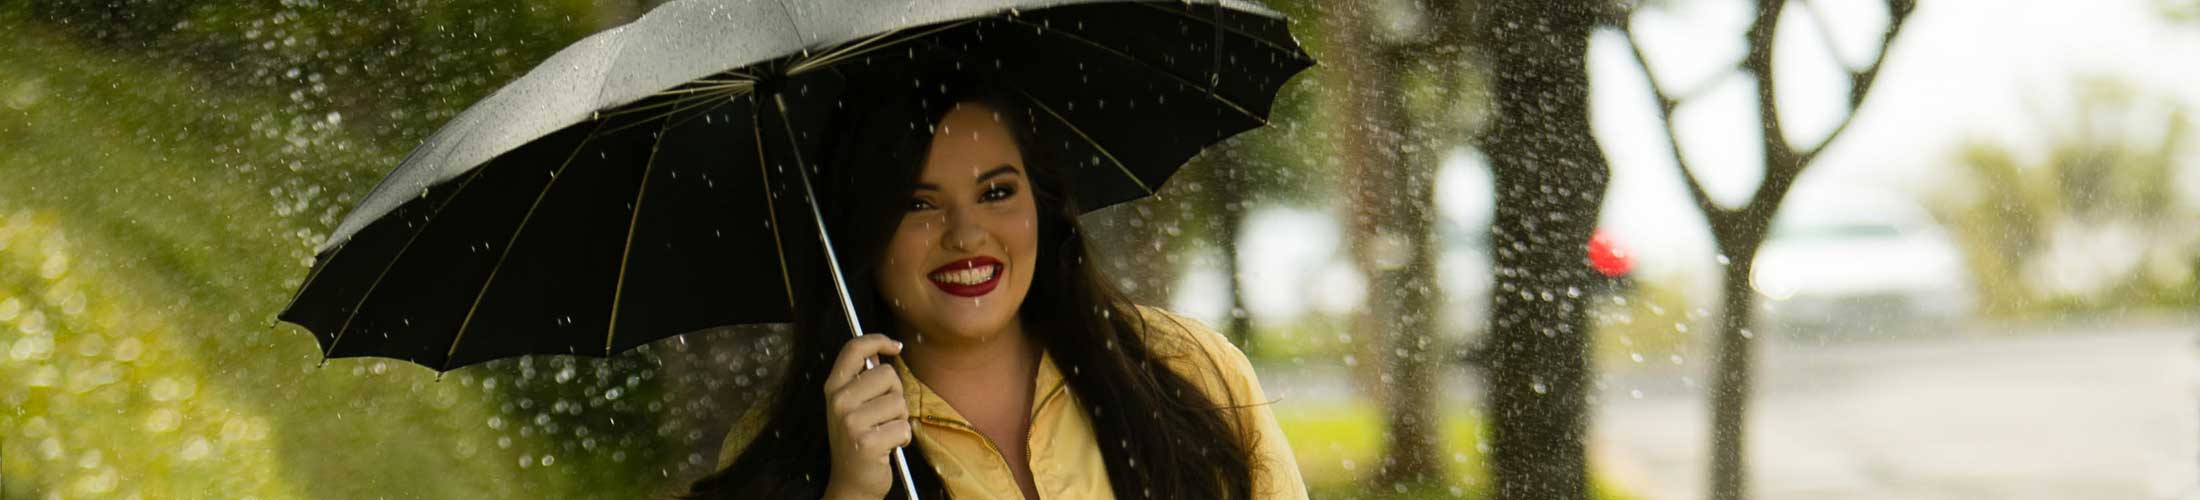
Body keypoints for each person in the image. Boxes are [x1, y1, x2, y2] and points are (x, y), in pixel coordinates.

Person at [681, 73, 1305, 499]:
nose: (966, 234)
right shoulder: (803, 443)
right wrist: (848, 491)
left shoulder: (1187, 368)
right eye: (918, 204)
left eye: (997, 192)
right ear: (863, 234)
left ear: (1044, 204)